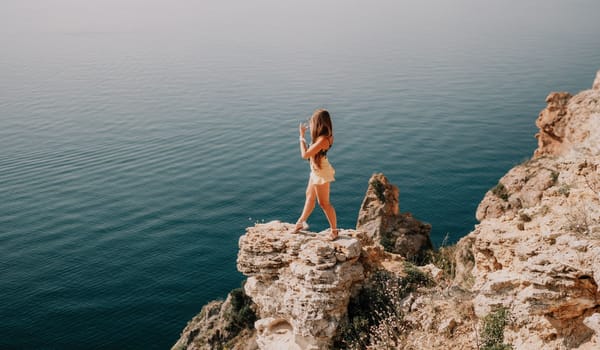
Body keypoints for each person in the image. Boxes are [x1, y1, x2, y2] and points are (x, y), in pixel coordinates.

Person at [294, 109, 338, 240]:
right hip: (316, 170)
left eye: (313, 122)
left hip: (321, 173)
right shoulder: (322, 137)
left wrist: (301, 137)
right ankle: (300, 223)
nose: (311, 124)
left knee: (324, 203)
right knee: (309, 197)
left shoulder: (323, 139)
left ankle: (334, 231)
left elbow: (305, 154)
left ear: (319, 123)